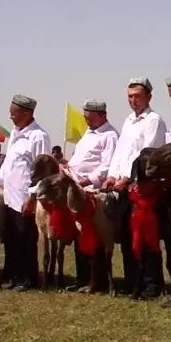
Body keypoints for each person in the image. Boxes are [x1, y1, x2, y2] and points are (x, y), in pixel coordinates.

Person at [106, 77, 169, 299]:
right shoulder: (128, 122)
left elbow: (147, 156)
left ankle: (152, 285)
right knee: (127, 238)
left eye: (137, 96)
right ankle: (133, 282)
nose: (133, 100)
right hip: (123, 189)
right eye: (130, 96)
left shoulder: (154, 121)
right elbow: (120, 152)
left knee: (147, 238)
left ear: (148, 97)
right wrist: (112, 175)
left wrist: (127, 178)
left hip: (142, 190)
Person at [0, 95, 51, 292]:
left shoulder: (38, 136)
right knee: (12, 238)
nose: (11, 117)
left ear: (27, 113)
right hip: (9, 196)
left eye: (15, 113)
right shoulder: (15, 134)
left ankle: (28, 279)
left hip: (25, 197)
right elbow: (8, 164)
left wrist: (32, 197)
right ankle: (14, 275)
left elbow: (42, 170)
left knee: (26, 239)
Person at [66, 99, 118, 292]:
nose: (86, 120)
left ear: (101, 115)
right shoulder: (88, 133)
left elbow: (106, 166)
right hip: (77, 192)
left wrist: (87, 181)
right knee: (80, 237)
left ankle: (97, 281)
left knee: (95, 238)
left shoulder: (109, 136)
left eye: (89, 117)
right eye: (85, 117)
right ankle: (83, 279)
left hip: (93, 194)